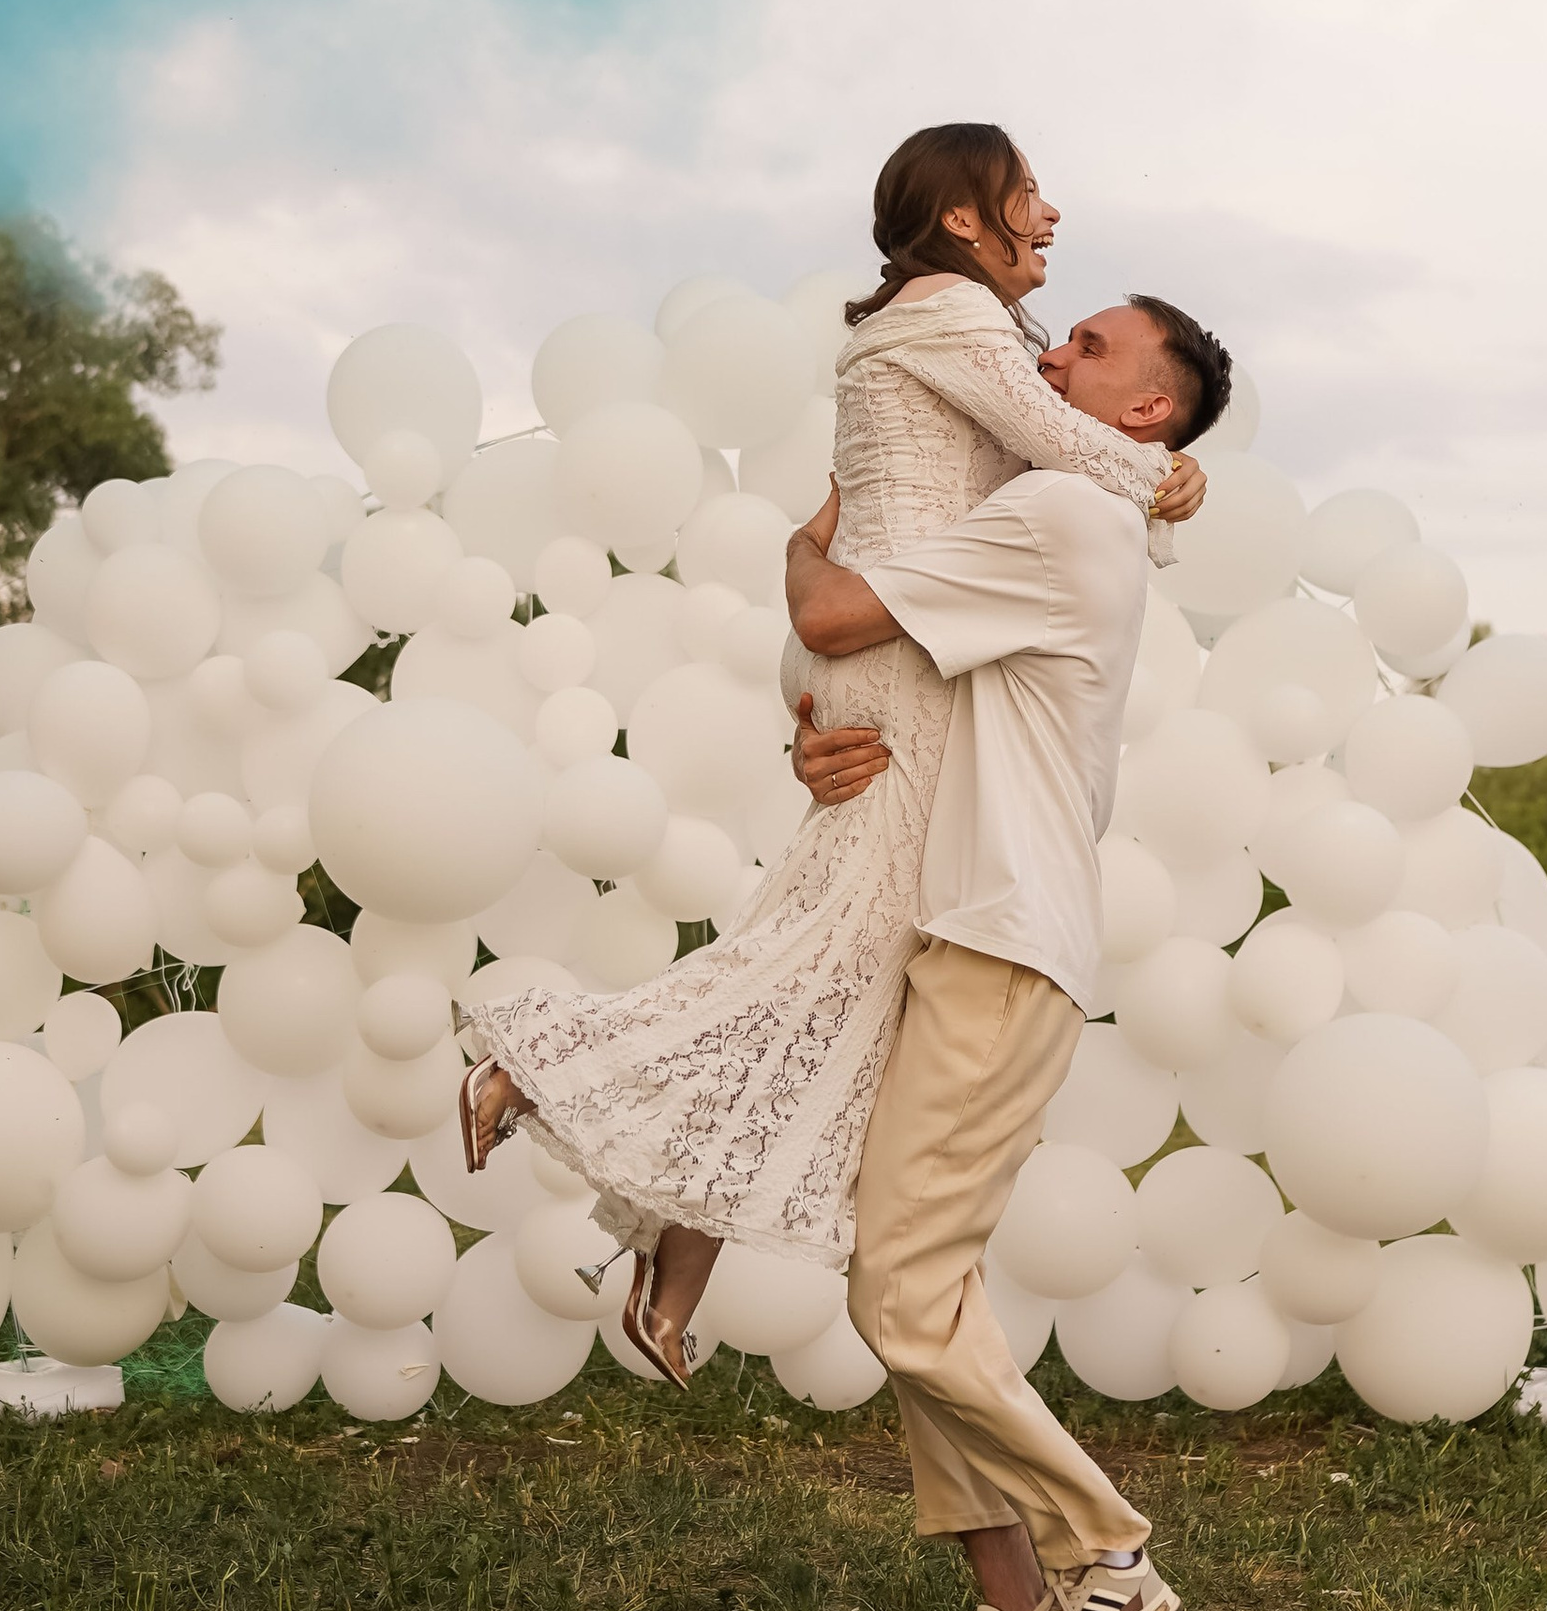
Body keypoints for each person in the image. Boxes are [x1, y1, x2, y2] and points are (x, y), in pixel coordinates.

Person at [452, 124, 1211, 1388]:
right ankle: (533, 1065)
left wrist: (1147, 466)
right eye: (1029, 195)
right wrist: (1169, 477)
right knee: (827, 950)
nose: (1051, 217)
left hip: (897, 640)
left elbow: (840, 511)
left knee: (838, 962)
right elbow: (1078, 454)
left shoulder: (959, 337)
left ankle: (670, 1261)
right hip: (899, 651)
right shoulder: (950, 319)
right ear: (966, 219)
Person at [783, 280, 1233, 1611]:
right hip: (970, 924)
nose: (1051, 351)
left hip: (998, 938)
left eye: (1088, 349)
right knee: (932, 1286)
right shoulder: (1069, 510)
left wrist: (800, 545)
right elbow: (901, 695)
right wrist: (821, 753)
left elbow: (843, 613)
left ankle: (1108, 1557)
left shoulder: (1064, 518)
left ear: (1145, 410)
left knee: (897, 1291)